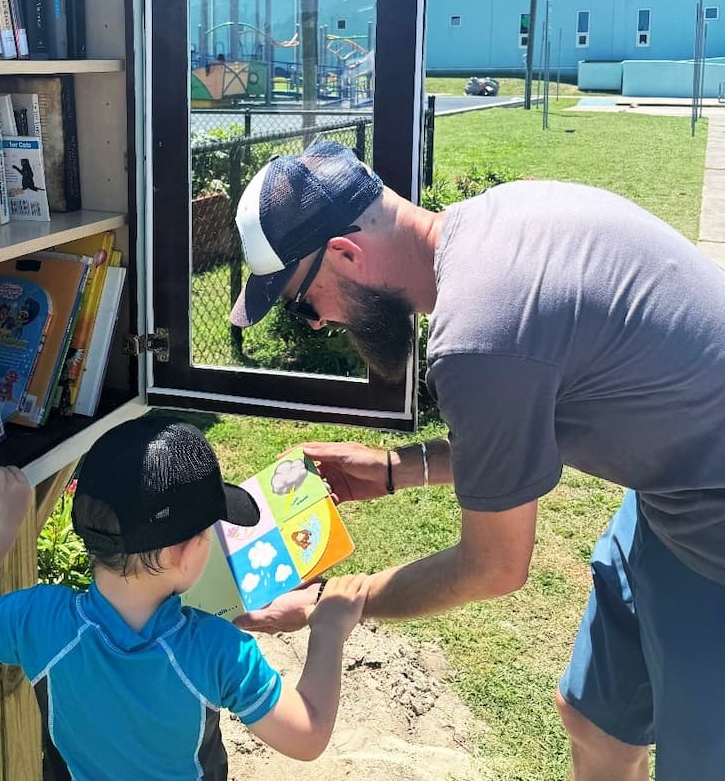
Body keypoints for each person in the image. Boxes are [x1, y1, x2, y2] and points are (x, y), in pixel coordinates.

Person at [229, 138, 725, 781]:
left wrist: (341, 599)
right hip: (672, 488)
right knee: (594, 721)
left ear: (346, 253)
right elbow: (519, 431)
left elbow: (494, 567)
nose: (317, 322)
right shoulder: (497, 219)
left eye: (302, 301)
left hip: (711, 528)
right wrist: (396, 469)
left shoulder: (476, 338)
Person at [0, 416, 368, 780]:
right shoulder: (219, 650)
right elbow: (307, 735)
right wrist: (328, 629)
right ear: (184, 553)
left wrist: (2, 526)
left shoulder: (39, 620)